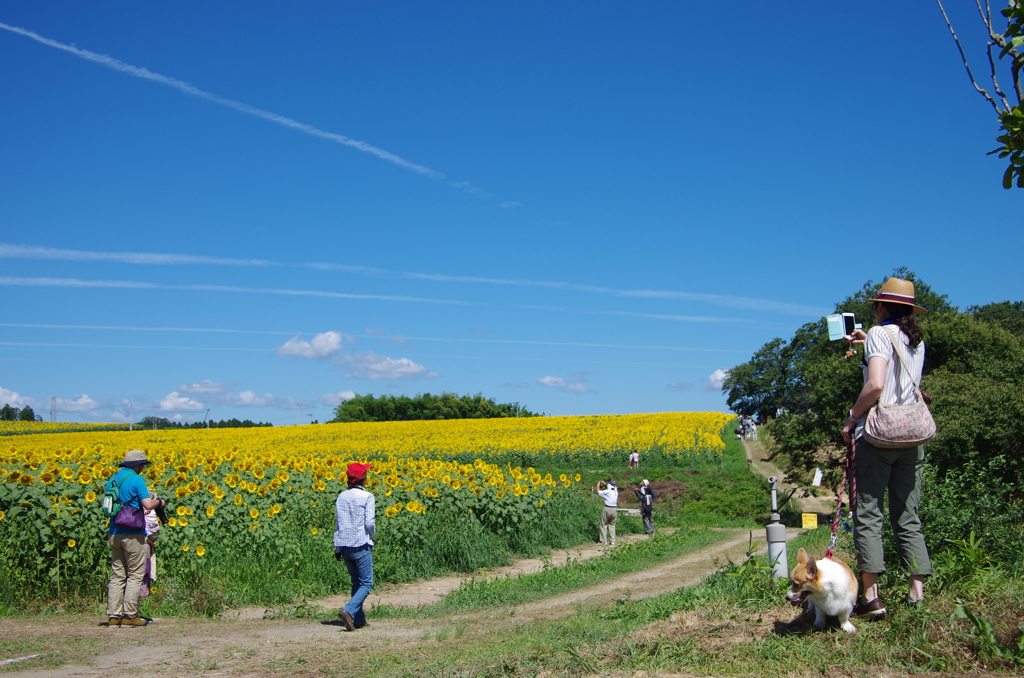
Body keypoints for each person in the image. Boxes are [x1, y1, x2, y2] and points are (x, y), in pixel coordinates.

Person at [841, 277, 932, 617]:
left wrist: (851, 417)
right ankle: (916, 594)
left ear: (881, 306)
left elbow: (876, 385)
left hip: (878, 435)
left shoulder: (880, 334)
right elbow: (897, 368)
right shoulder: (915, 340)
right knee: (908, 514)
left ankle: (871, 597)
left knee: (867, 513)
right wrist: (869, 342)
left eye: (875, 305)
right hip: (911, 434)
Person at [105, 449, 166, 628]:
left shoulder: (113, 479)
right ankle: (130, 616)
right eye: (143, 466)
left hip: (114, 532)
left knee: (117, 575)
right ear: (138, 465)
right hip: (132, 533)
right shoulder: (136, 479)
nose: (143, 469)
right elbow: (147, 504)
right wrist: (159, 502)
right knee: (135, 574)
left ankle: (114, 616)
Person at [334, 462, 375, 631]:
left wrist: (337, 548)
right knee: (366, 583)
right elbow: (369, 523)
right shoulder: (367, 497)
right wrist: (371, 536)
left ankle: (358, 619)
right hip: (360, 543)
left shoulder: (342, 496)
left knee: (356, 582)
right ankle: (349, 611)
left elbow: (338, 523)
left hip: (344, 545)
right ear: (363, 478)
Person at [595, 480, 618, 546]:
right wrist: (606, 485)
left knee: (603, 524)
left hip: (607, 508)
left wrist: (598, 484)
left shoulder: (607, 492)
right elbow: (611, 488)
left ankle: (603, 540)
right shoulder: (616, 492)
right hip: (614, 509)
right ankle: (612, 540)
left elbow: (598, 492)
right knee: (612, 525)